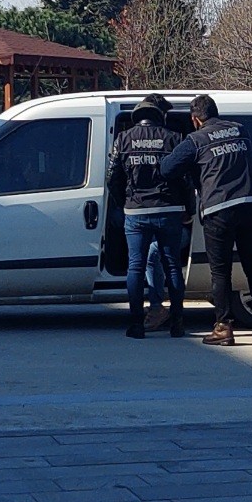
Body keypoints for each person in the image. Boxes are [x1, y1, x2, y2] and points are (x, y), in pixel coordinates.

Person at [162, 94, 252, 346]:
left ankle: (223, 327)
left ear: (195, 119)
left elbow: (167, 168)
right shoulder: (240, 130)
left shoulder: (196, 140)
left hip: (219, 209)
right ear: (215, 112)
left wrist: (192, 173)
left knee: (220, 272)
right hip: (249, 205)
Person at [106, 93, 189, 340]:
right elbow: (184, 179)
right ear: (159, 116)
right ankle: (177, 324)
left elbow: (113, 178)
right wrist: (189, 210)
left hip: (136, 211)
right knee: (172, 265)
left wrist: (124, 204)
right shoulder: (174, 138)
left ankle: (137, 325)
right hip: (169, 209)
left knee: (135, 266)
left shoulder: (123, 139)